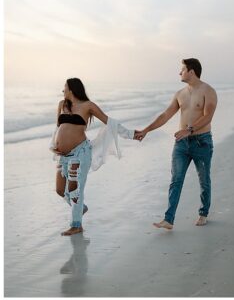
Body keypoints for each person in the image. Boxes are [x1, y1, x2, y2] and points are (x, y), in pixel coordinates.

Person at [136, 58, 217, 231]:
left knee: (204, 180)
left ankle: (203, 213)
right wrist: (146, 130)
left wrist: (189, 129)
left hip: (201, 142)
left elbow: (208, 116)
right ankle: (169, 219)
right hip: (181, 143)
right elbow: (165, 115)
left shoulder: (208, 91)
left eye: (182, 69)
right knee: (176, 179)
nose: (179, 73)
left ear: (192, 71)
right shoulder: (180, 94)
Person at [51, 78, 116, 236]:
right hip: (63, 156)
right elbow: (58, 128)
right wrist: (54, 146)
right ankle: (81, 208)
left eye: (64, 87)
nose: (62, 90)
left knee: (74, 190)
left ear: (72, 89)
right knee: (60, 190)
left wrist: (131, 134)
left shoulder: (88, 106)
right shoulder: (62, 104)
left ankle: (76, 224)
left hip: (80, 152)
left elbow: (109, 122)